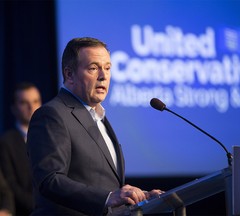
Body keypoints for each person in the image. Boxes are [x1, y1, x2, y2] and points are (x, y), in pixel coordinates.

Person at [26, 37, 162, 215]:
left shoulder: (98, 117)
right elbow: (49, 180)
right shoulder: (52, 115)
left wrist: (139, 197)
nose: (103, 76)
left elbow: (104, 184)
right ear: (69, 74)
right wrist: (107, 197)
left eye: (107, 68)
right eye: (93, 68)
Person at [0, 82, 42, 216]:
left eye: (35, 101)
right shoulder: (6, 142)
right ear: (13, 108)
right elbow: (10, 185)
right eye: (24, 102)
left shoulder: (53, 136)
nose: (31, 107)